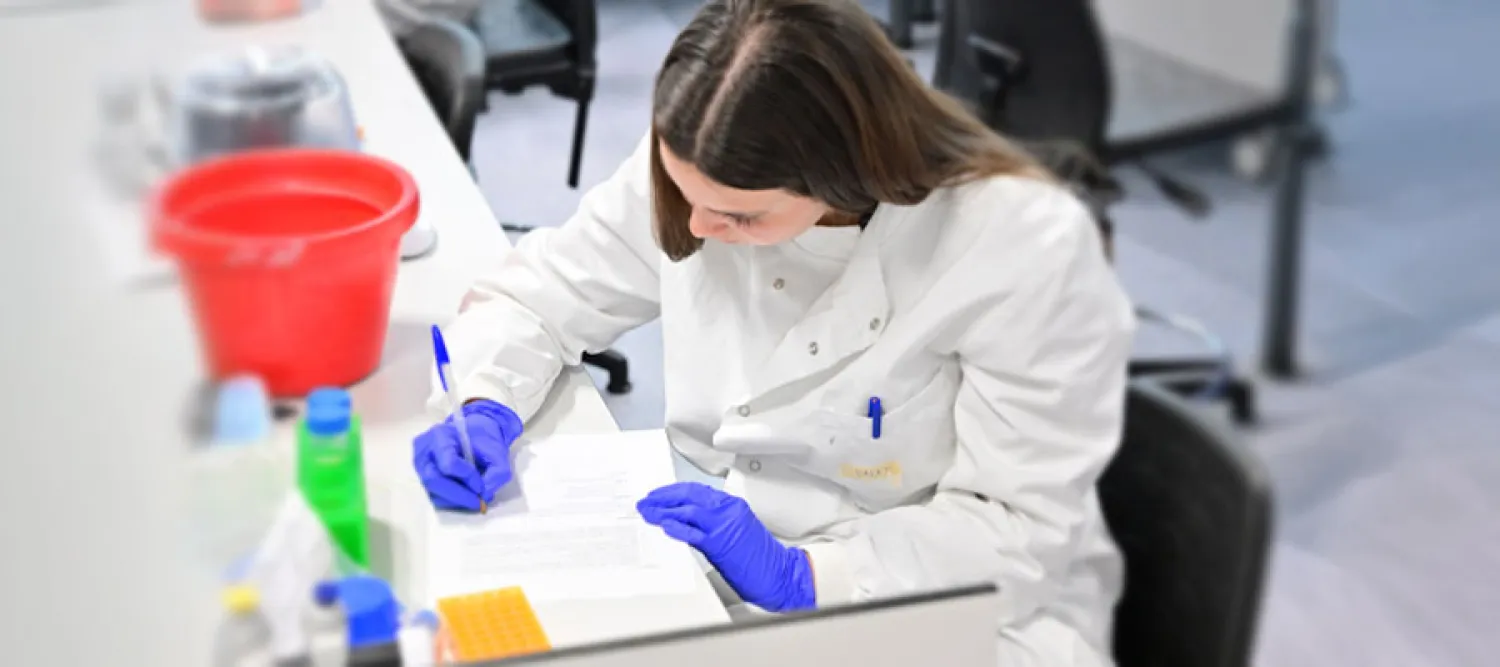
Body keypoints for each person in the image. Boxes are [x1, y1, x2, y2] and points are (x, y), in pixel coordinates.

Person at [410, 0, 1135, 664]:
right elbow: (541, 295)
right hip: (727, 576)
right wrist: (487, 399)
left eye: (741, 218)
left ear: (847, 170)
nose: (696, 228)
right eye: (684, 196)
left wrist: (805, 574)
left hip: (948, 610)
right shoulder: (702, 163)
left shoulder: (1020, 245)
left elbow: (1020, 534)